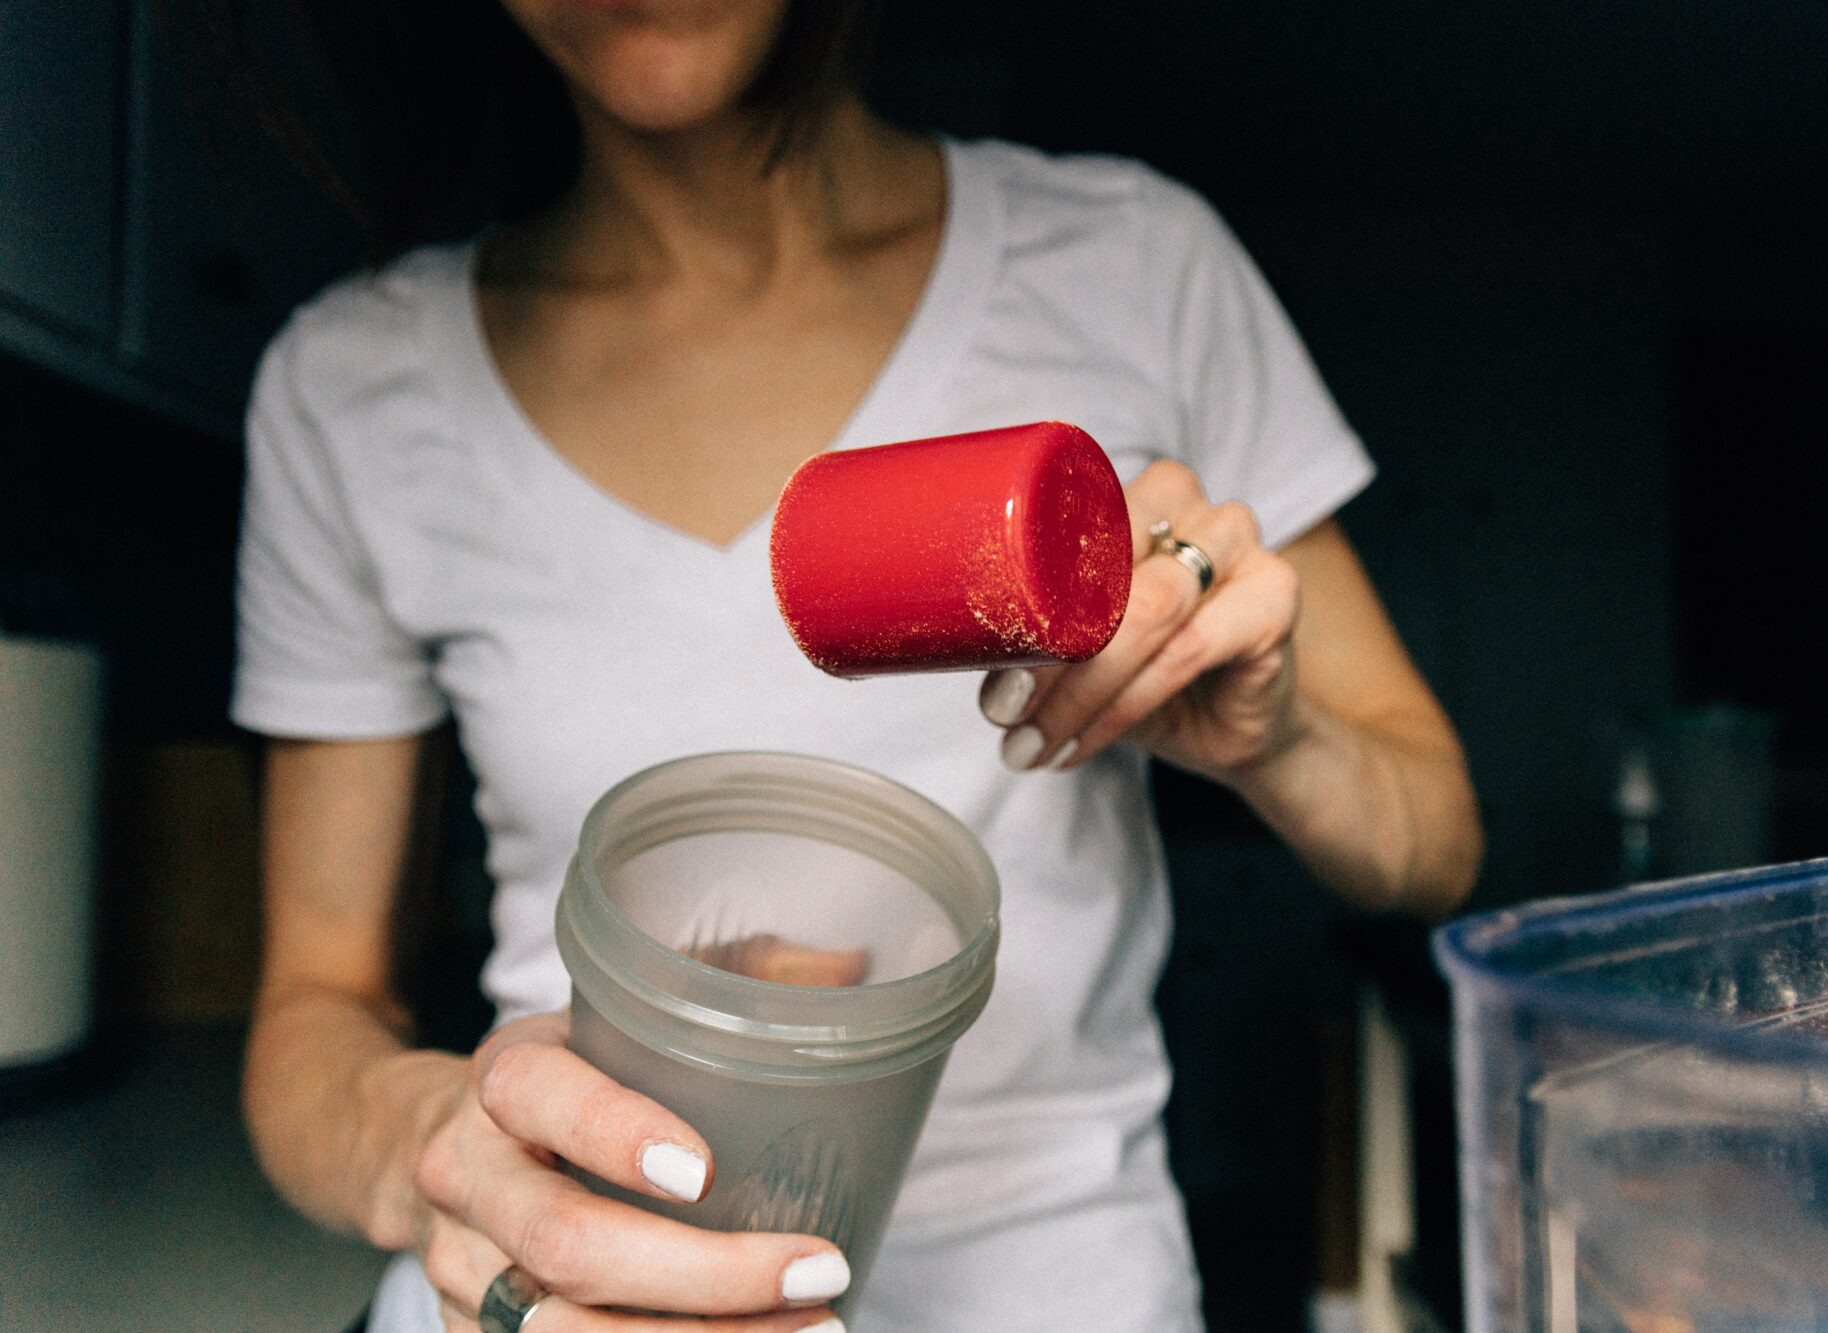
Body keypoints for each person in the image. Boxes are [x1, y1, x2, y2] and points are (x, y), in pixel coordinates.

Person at [231, 2, 1484, 1330]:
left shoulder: (1134, 263)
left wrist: (1278, 736)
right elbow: (316, 1005)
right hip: (558, 1293)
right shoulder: (352, 386)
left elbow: (1438, 845)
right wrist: (442, 1155)